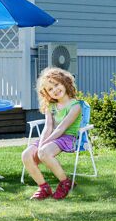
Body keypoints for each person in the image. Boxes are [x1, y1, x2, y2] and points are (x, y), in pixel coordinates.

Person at [21, 67, 82, 200]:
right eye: (50, 89)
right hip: (50, 137)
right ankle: (44, 187)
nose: (55, 89)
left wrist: (43, 147)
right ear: (47, 93)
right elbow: (48, 127)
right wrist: (42, 143)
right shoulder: (51, 106)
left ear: (64, 82)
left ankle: (66, 183)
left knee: (43, 152)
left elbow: (61, 128)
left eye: (56, 84)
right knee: (26, 155)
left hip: (66, 137)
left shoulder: (75, 106)